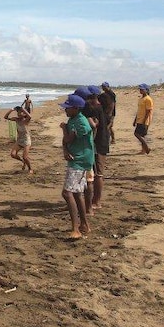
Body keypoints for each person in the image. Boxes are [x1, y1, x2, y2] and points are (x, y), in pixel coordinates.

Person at [59, 94, 94, 240]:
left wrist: (64, 129)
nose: (65, 111)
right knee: (77, 193)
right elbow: (66, 142)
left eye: (67, 108)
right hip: (77, 157)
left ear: (76, 108)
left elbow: (67, 139)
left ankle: (76, 228)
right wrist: (65, 149)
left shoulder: (81, 123)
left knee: (67, 193)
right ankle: (84, 225)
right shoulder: (73, 119)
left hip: (80, 160)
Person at [84, 86, 109, 212]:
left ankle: (96, 201)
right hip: (101, 142)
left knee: (98, 173)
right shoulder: (99, 107)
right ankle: (94, 200)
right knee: (96, 173)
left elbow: (94, 127)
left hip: (99, 144)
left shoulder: (94, 109)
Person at [4, 106, 32, 173]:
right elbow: (5, 117)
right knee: (13, 155)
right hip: (19, 140)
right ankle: (23, 162)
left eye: (21, 113)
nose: (19, 114)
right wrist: (11, 109)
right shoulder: (16, 119)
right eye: (18, 113)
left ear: (24, 114)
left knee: (25, 157)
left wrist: (23, 109)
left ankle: (30, 169)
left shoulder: (26, 120)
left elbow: (30, 116)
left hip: (26, 140)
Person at [133, 83, 153, 154]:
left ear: (146, 90)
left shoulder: (148, 99)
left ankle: (146, 147)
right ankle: (143, 150)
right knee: (142, 135)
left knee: (137, 134)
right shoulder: (141, 99)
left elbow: (148, 111)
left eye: (142, 89)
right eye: (140, 89)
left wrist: (144, 120)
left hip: (144, 120)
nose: (140, 90)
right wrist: (135, 119)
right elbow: (139, 110)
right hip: (139, 119)